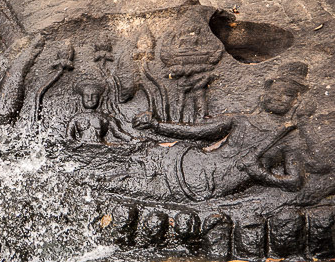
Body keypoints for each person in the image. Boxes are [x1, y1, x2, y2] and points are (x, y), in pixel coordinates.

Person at [132, 62, 309, 200]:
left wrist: (262, 175)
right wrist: (156, 126)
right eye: (276, 91)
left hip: (211, 184)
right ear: (265, 92)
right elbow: (197, 132)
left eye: (287, 94)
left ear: (296, 101)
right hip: (193, 162)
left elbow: (295, 181)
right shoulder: (242, 120)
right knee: (137, 165)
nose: (278, 97)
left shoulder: (289, 138)